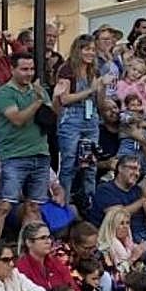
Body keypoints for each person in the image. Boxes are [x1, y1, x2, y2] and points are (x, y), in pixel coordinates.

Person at [0, 53, 52, 243]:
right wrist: (38, 101)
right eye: (24, 69)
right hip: (15, 156)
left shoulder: (38, 90)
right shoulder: (4, 93)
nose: (29, 73)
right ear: (12, 69)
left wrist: (55, 99)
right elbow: (17, 119)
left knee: (34, 207)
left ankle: (28, 253)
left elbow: (50, 118)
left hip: (41, 154)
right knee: (4, 205)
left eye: (31, 69)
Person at [53, 34, 102, 203]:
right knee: (69, 162)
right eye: (87, 49)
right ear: (78, 50)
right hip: (72, 118)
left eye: (93, 49)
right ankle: (64, 201)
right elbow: (64, 99)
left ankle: (90, 201)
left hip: (91, 117)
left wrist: (101, 89)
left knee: (91, 164)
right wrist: (90, 90)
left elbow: (98, 99)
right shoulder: (67, 69)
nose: (91, 53)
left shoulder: (93, 70)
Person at [88, 155, 146, 236]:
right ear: (120, 168)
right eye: (133, 168)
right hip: (117, 239)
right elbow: (116, 216)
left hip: (144, 235)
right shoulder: (105, 189)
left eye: (139, 170)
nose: (137, 173)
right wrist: (144, 198)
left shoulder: (138, 190)